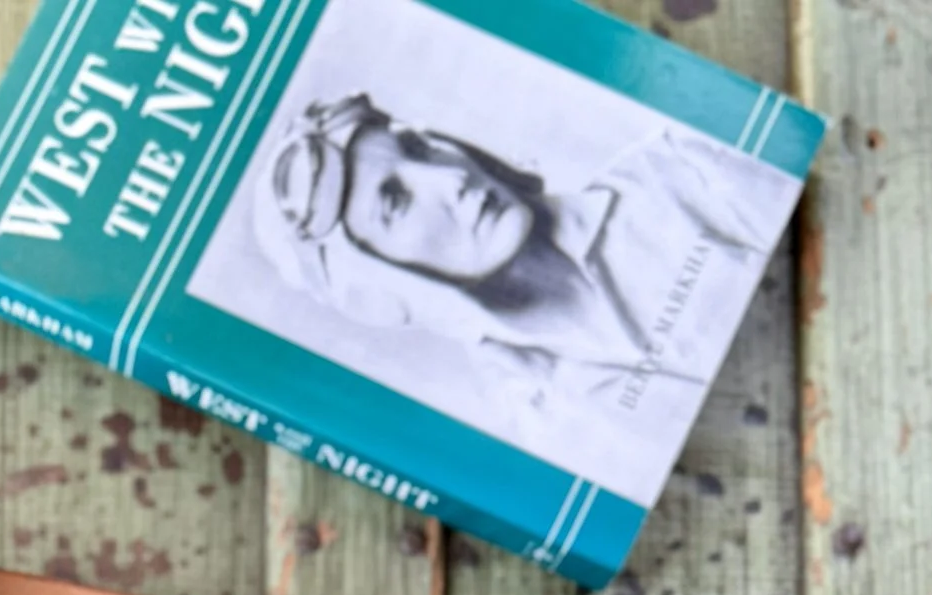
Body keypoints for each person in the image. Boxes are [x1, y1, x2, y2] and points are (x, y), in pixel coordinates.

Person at [258, 91, 785, 458]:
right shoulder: (538, 432)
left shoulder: (679, 170)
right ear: (381, 286)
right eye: (395, 202)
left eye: (418, 148)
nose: (450, 178)